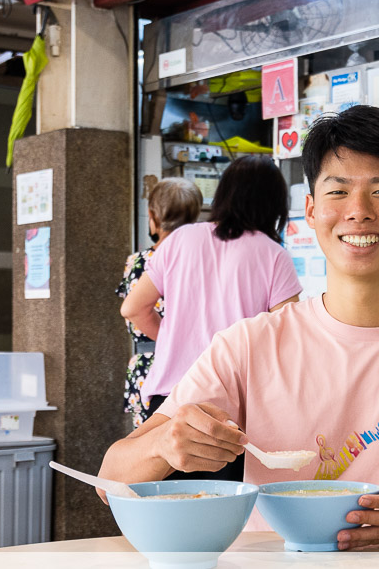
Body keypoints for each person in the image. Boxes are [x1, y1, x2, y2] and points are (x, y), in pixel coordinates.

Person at [102, 106, 379, 548]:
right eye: (338, 191)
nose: (359, 211)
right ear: (310, 209)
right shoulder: (247, 346)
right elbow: (110, 479)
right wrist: (164, 445)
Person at [120, 155, 302, 479]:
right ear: (275, 204)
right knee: (222, 513)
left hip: (168, 403)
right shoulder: (274, 256)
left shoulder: (180, 238)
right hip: (230, 408)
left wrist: (173, 341)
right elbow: (289, 339)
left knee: (166, 509)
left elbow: (133, 308)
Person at [117, 178, 203, 429]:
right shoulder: (208, 258)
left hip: (148, 367)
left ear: (152, 216)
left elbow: (133, 315)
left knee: (148, 452)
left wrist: (167, 338)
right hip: (196, 366)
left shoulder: (139, 261)